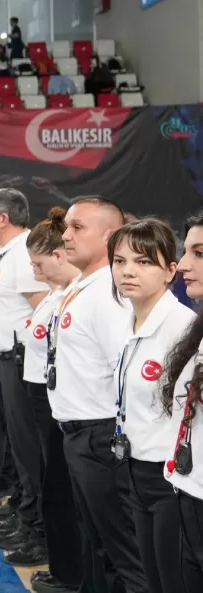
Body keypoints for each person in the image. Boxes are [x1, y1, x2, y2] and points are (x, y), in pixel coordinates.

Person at [52, 197, 149, 593]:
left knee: (120, 549)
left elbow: (125, 372)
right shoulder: (83, 283)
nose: (66, 234)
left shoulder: (109, 294)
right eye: (67, 227)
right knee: (95, 541)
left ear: (109, 235)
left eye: (78, 227)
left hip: (101, 436)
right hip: (80, 434)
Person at [106, 219, 194, 593]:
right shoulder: (129, 321)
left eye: (143, 262)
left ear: (170, 270)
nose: (128, 271)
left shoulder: (184, 328)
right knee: (152, 578)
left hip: (170, 481)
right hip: (135, 470)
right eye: (120, 260)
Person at [0, 188, 51, 565]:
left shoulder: (23, 254)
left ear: (4, 218)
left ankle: (36, 528)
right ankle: (26, 512)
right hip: (7, 359)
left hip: (21, 362)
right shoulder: (8, 253)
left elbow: (41, 310)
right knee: (19, 445)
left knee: (28, 448)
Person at [23, 210, 86, 593]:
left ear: (61, 256)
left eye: (40, 264)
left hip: (69, 409)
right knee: (54, 488)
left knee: (64, 493)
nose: (36, 272)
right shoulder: (58, 295)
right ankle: (64, 567)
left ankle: (71, 573)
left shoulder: (81, 296)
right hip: (51, 400)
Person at [161, 212, 203, 591]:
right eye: (186, 251)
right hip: (189, 488)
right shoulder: (197, 329)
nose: (184, 265)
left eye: (200, 253)